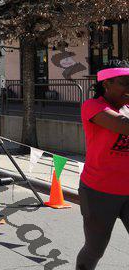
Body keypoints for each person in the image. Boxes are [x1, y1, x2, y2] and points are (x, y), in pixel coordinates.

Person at [76, 60, 129, 270]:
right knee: (95, 249)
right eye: (124, 83)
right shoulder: (93, 106)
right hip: (99, 191)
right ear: (106, 84)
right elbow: (124, 126)